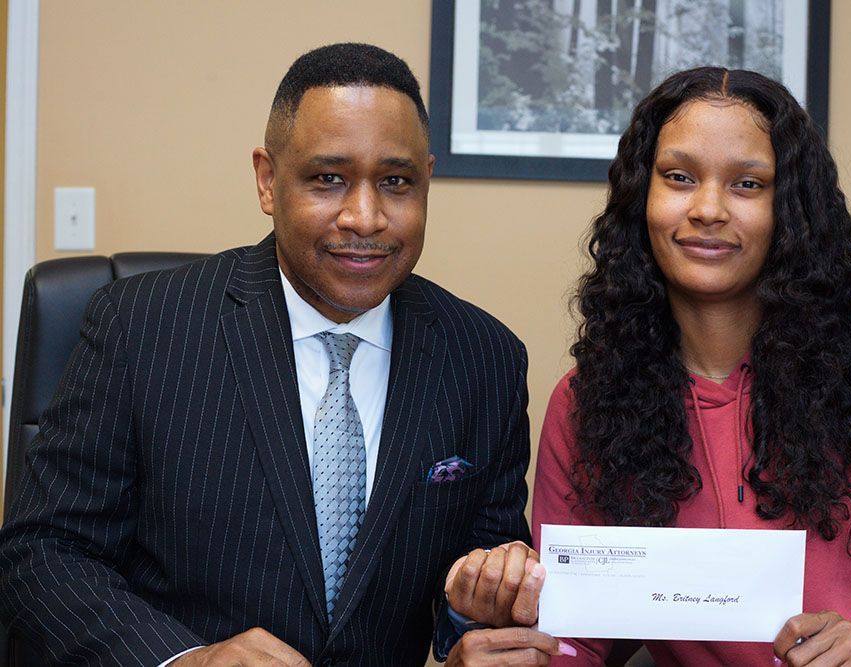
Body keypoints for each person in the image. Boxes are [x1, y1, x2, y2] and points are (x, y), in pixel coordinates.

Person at [0, 43, 561, 666]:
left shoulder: (485, 359)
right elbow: (43, 551)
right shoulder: (140, 328)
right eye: (329, 179)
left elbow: (476, 580)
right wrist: (184, 659)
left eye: (396, 182)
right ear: (268, 180)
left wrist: (473, 619)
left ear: (427, 179)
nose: (365, 217)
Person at [529, 67, 851, 666]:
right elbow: (581, 631)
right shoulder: (590, 399)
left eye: (748, 184)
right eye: (679, 177)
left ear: (791, 210)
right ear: (638, 197)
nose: (707, 209)